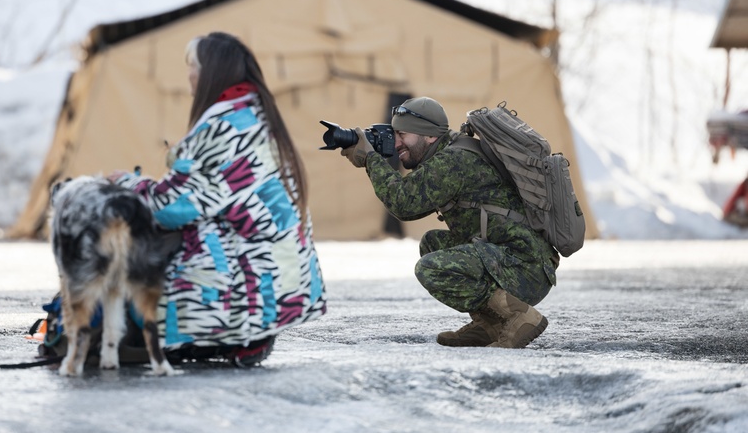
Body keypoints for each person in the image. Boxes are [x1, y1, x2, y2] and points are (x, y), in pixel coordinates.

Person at [110, 31, 327, 366]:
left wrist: (127, 184)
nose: (189, 75)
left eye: (193, 67)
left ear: (212, 73)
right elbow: (207, 190)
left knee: (140, 244)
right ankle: (241, 333)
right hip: (282, 276)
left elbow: (171, 207)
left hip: (246, 282)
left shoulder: (224, 129)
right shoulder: (256, 117)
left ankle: (219, 331)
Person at [339, 96, 557, 349]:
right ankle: (490, 325)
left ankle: (518, 316)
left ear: (429, 136)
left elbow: (404, 204)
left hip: (524, 269)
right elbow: (408, 201)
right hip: (515, 260)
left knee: (430, 268)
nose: (396, 143)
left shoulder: (453, 161)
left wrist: (371, 159)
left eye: (402, 134)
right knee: (433, 243)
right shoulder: (450, 151)